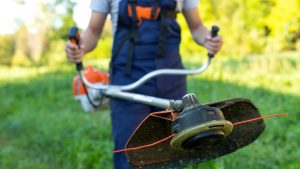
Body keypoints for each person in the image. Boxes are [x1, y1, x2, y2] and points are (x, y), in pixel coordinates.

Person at [65, 0, 223, 168]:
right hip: (127, 80)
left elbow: (197, 28)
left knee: (172, 151)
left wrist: (209, 40)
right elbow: (93, 32)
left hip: (171, 76)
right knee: (129, 153)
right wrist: (79, 48)